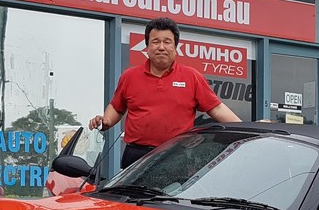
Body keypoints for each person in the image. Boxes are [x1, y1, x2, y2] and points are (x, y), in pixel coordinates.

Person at [89, 17, 241, 168]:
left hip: (176, 154)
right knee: (131, 193)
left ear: (175, 48)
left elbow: (216, 108)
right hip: (136, 154)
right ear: (147, 47)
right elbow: (116, 107)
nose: (161, 47)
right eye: (155, 42)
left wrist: (246, 127)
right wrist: (106, 121)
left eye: (167, 42)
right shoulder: (130, 76)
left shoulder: (192, 76)